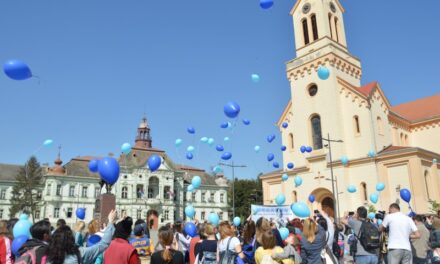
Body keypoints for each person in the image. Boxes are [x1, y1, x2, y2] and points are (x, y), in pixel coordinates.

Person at [46, 210, 116, 264]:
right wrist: (110, 221)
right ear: (71, 239)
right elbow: (103, 244)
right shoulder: (79, 253)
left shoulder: (48, 256)